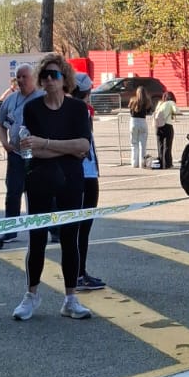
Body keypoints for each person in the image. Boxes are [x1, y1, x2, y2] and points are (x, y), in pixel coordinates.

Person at [12, 55, 93, 321]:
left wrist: (46, 143)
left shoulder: (77, 109)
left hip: (71, 179)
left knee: (70, 238)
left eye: (54, 74)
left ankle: (70, 298)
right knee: (37, 238)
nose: (49, 79)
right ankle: (31, 294)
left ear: (64, 78)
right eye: (45, 75)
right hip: (40, 178)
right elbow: (31, 149)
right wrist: (65, 148)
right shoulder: (33, 109)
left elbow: (84, 146)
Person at [0, 63, 38, 240]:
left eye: (24, 77)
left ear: (33, 78)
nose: (20, 80)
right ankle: (10, 230)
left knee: (41, 193)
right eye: (18, 77)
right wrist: (5, 143)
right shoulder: (10, 100)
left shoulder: (42, 98)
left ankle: (50, 229)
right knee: (13, 192)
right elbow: (1, 125)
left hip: (38, 155)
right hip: (16, 154)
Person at [72, 73, 106, 291]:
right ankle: (78, 273)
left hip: (85, 172)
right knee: (82, 227)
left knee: (80, 227)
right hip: (84, 173)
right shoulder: (80, 110)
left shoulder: (76, 109)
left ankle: (78, 271)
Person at [128, 85, 153, 168]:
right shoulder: (147, 101)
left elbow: (130, 111)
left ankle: (134, 163)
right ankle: (142, 163)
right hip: (142, 121)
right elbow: (149, 111)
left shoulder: (132, 100)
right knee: (142, 145)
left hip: (133, 122)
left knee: (134, 143)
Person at [153, 90, 177, 169]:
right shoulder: (171, 103)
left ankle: (160, 163)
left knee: (160, 145)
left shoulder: (160, 104)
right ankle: (167, 164)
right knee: (167, 146)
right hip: (167, 126)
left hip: (158, 126)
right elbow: (175, 111)